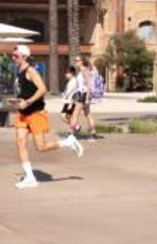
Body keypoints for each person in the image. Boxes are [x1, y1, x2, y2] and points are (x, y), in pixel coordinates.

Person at [10, 45, 82, 189]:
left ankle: (67, 142)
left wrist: (28, 102)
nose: (13, 58)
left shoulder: (31, 71)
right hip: (23, 113)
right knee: (20, 142)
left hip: (36, 113)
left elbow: (43, 89)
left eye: (16, 56)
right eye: (13, 55)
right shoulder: (19, 71)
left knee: (41, 147)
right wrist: (17, 101)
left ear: (24, 57)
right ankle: (30, 177)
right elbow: (25, 92)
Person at [74, 55, 97, 140]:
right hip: (81, 94)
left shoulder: (85, 70)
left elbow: (89, 84)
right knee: (87, 114)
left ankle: (73, 133)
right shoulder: (81, 71)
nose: (76, 62)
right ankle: (93, 133)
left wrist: (87, 97)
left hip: (84, 94)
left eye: (77, 61)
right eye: (75, 61)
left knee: (75, 113)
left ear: (82, 61)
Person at [60, 66, 81, 133]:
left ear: (71, 73)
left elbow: (74, 93)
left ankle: (73, 129)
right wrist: (64, 95)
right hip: (67, 102)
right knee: (64, 117)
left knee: (65, 117)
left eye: (67, 73)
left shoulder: (74, 81)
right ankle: (75, 127)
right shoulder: (70, 81)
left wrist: (71, 103)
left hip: (70, 102)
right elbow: (67, 91)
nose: (65, 74)